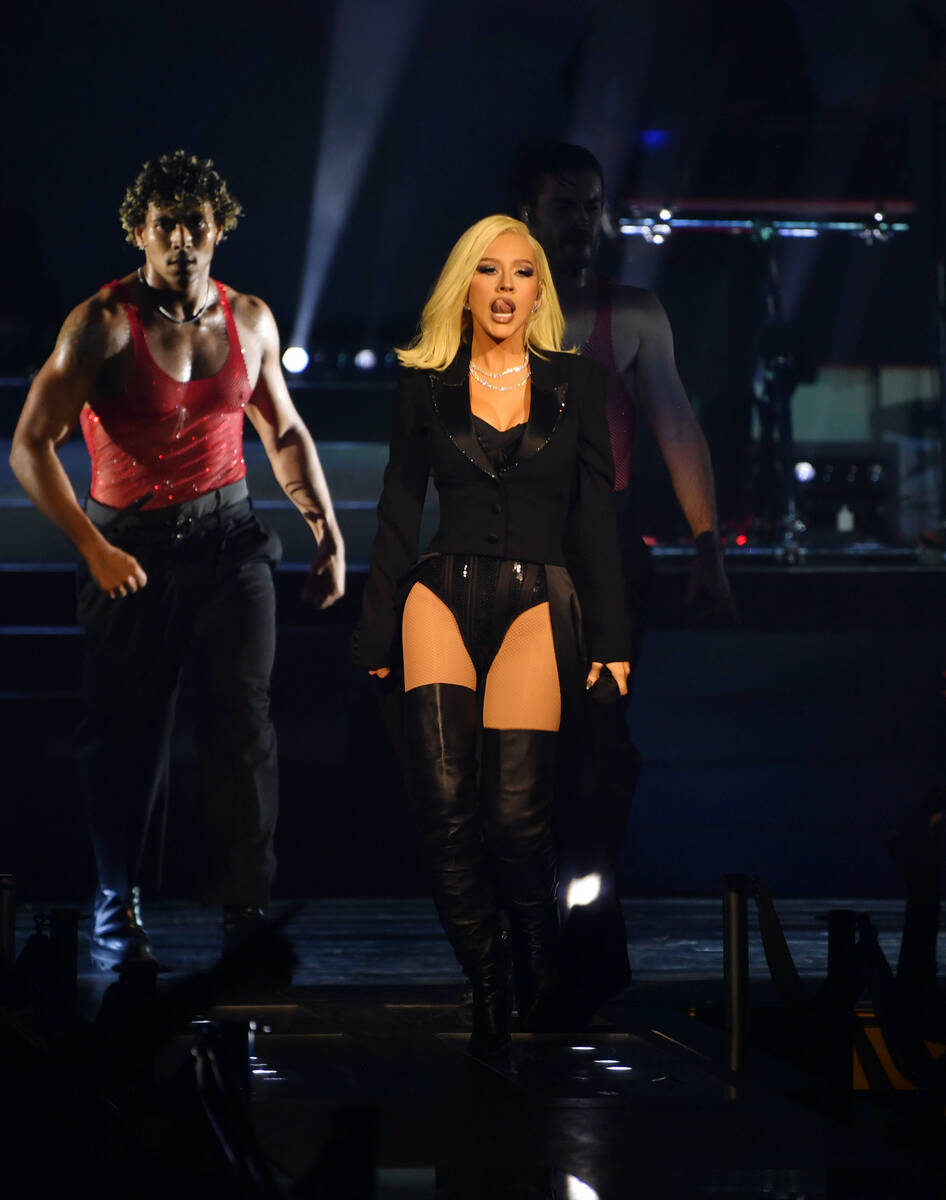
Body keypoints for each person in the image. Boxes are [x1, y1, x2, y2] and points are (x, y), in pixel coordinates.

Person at [10, 150, 345, 970]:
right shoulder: (101, 324)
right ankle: (116, 902)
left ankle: (244, 909)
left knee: (244, 725)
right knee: (127, 734)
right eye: (167, 226)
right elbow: (30, 446)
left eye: (197, 224)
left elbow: (284, 430)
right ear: (140, 232)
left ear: (219, 229)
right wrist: (94, 549)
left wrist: (328, 533)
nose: (183, 241)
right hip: (131, 547)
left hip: (230, 540)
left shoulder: (250, 319)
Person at [352, 214, 631, 1058]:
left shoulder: (576, 383)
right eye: (488, 271)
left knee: (514, 820)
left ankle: (536, 962)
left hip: (539, 600)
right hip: (439, 595)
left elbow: (596, 521)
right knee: (443, 811)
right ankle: (486, 981)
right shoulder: (425, 383)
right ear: (464, 287)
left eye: (521, 272)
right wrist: (375, 632)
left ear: (540, 292)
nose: (505, 287)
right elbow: (398, 511)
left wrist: (613, 639)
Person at [515, 143, 736, 1020]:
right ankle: (535, 941)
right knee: (526, 756)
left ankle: (588, 946)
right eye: (565, 207)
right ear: (528, 214)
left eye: (591, 205)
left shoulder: (633, 313)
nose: (583, 222)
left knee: (599, 751)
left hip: (602, 550)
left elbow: (678, 428)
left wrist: (708, 546)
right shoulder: (480, 309)